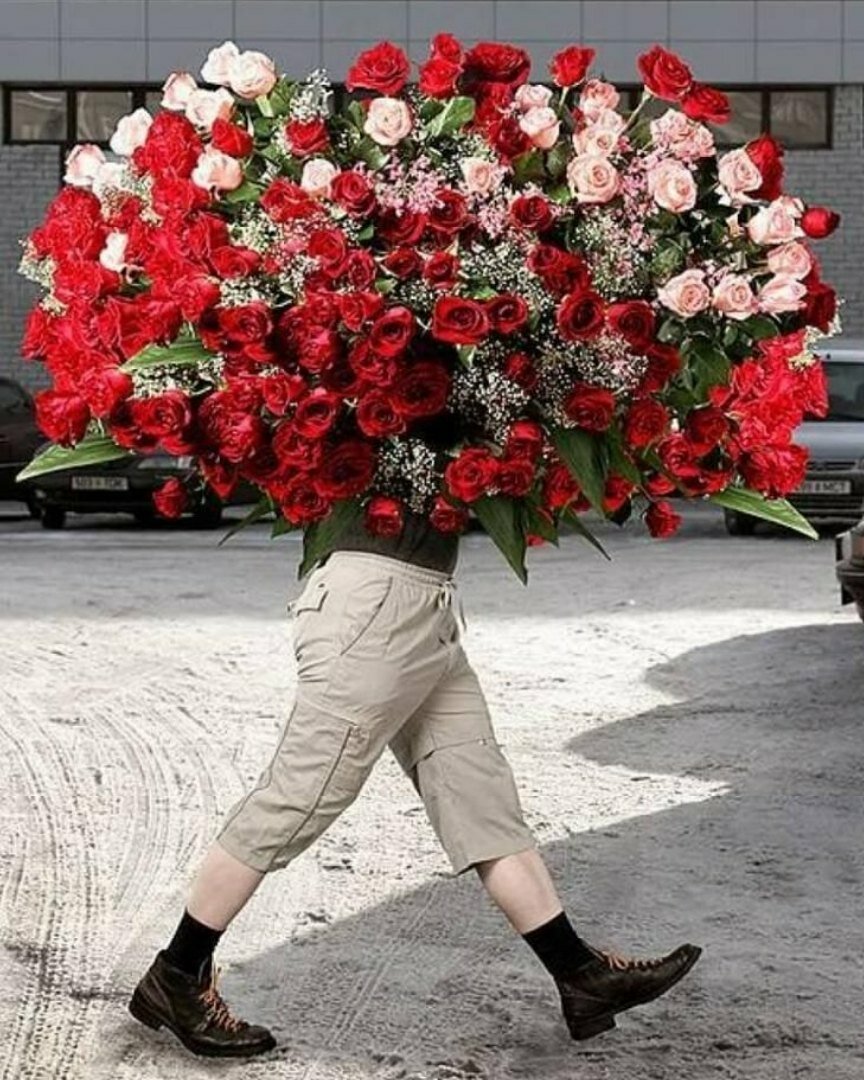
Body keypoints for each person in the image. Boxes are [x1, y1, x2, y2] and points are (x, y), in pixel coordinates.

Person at [128, 510, 701, 1057]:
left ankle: (580, 975)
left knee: (481, 799)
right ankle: (177, 973)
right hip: (372, 609)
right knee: (296, 799)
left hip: (428, 607)